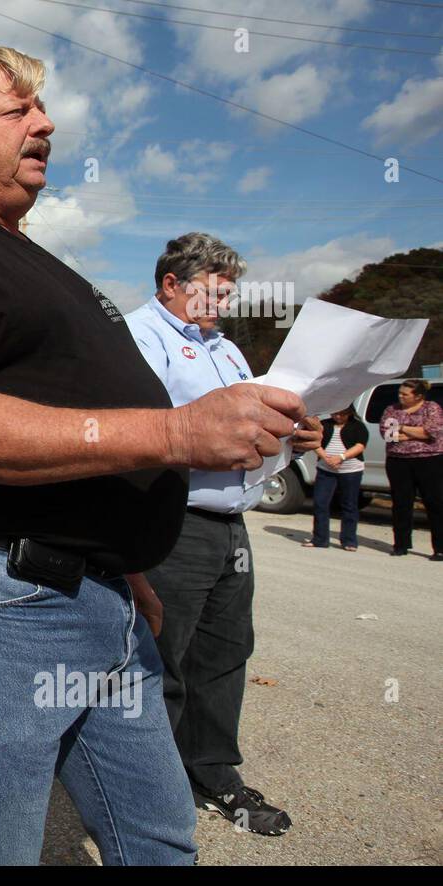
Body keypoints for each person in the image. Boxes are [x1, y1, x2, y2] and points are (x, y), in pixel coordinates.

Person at [0, 46, 315, 865]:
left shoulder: (39, 259)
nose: (47, 122)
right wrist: (176, 434)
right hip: (0, 602)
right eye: (18, 109)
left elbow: (78, 421)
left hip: (101, 597)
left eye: (43, 108)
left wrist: (121, 564)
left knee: (159, 838)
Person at [126, 232, 320, 837]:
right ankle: (143, 788)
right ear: (171, 286)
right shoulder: (140, 337)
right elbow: (139, 429)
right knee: (161, 659)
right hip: (172, 520)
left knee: (224, 654)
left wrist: (294, 434)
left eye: (230, 294)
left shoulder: (228, 351)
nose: (224, 304)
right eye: (213, 293)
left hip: (232, 523)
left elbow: (250, 427)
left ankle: (211, 772)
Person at [381, 378, 443, 559]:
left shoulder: (432, 408)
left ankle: (439, 547)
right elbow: (388, 434)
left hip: (429, 461)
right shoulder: (391, 410)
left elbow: (432, 432)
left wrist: (402, 429)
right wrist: (416, 433)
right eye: (400, 393)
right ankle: (401, 544)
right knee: (401, 504)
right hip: (398, 461)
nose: (400, 396)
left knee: (434, 503)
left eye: (405, 394)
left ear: (418, 396)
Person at [306, 406, 369, 551]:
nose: (338, 417)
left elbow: (360, 446)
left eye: (342, 414)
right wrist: (325, 457)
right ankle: (320, 539)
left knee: (349, 505)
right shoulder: (325, 425)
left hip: (351, 470)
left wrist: (341, 457)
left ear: (350, 413)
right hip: (325, 469)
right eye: (335, 413)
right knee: (320, 503)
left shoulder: (358, 426)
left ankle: (349, 541)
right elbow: (316, 443)